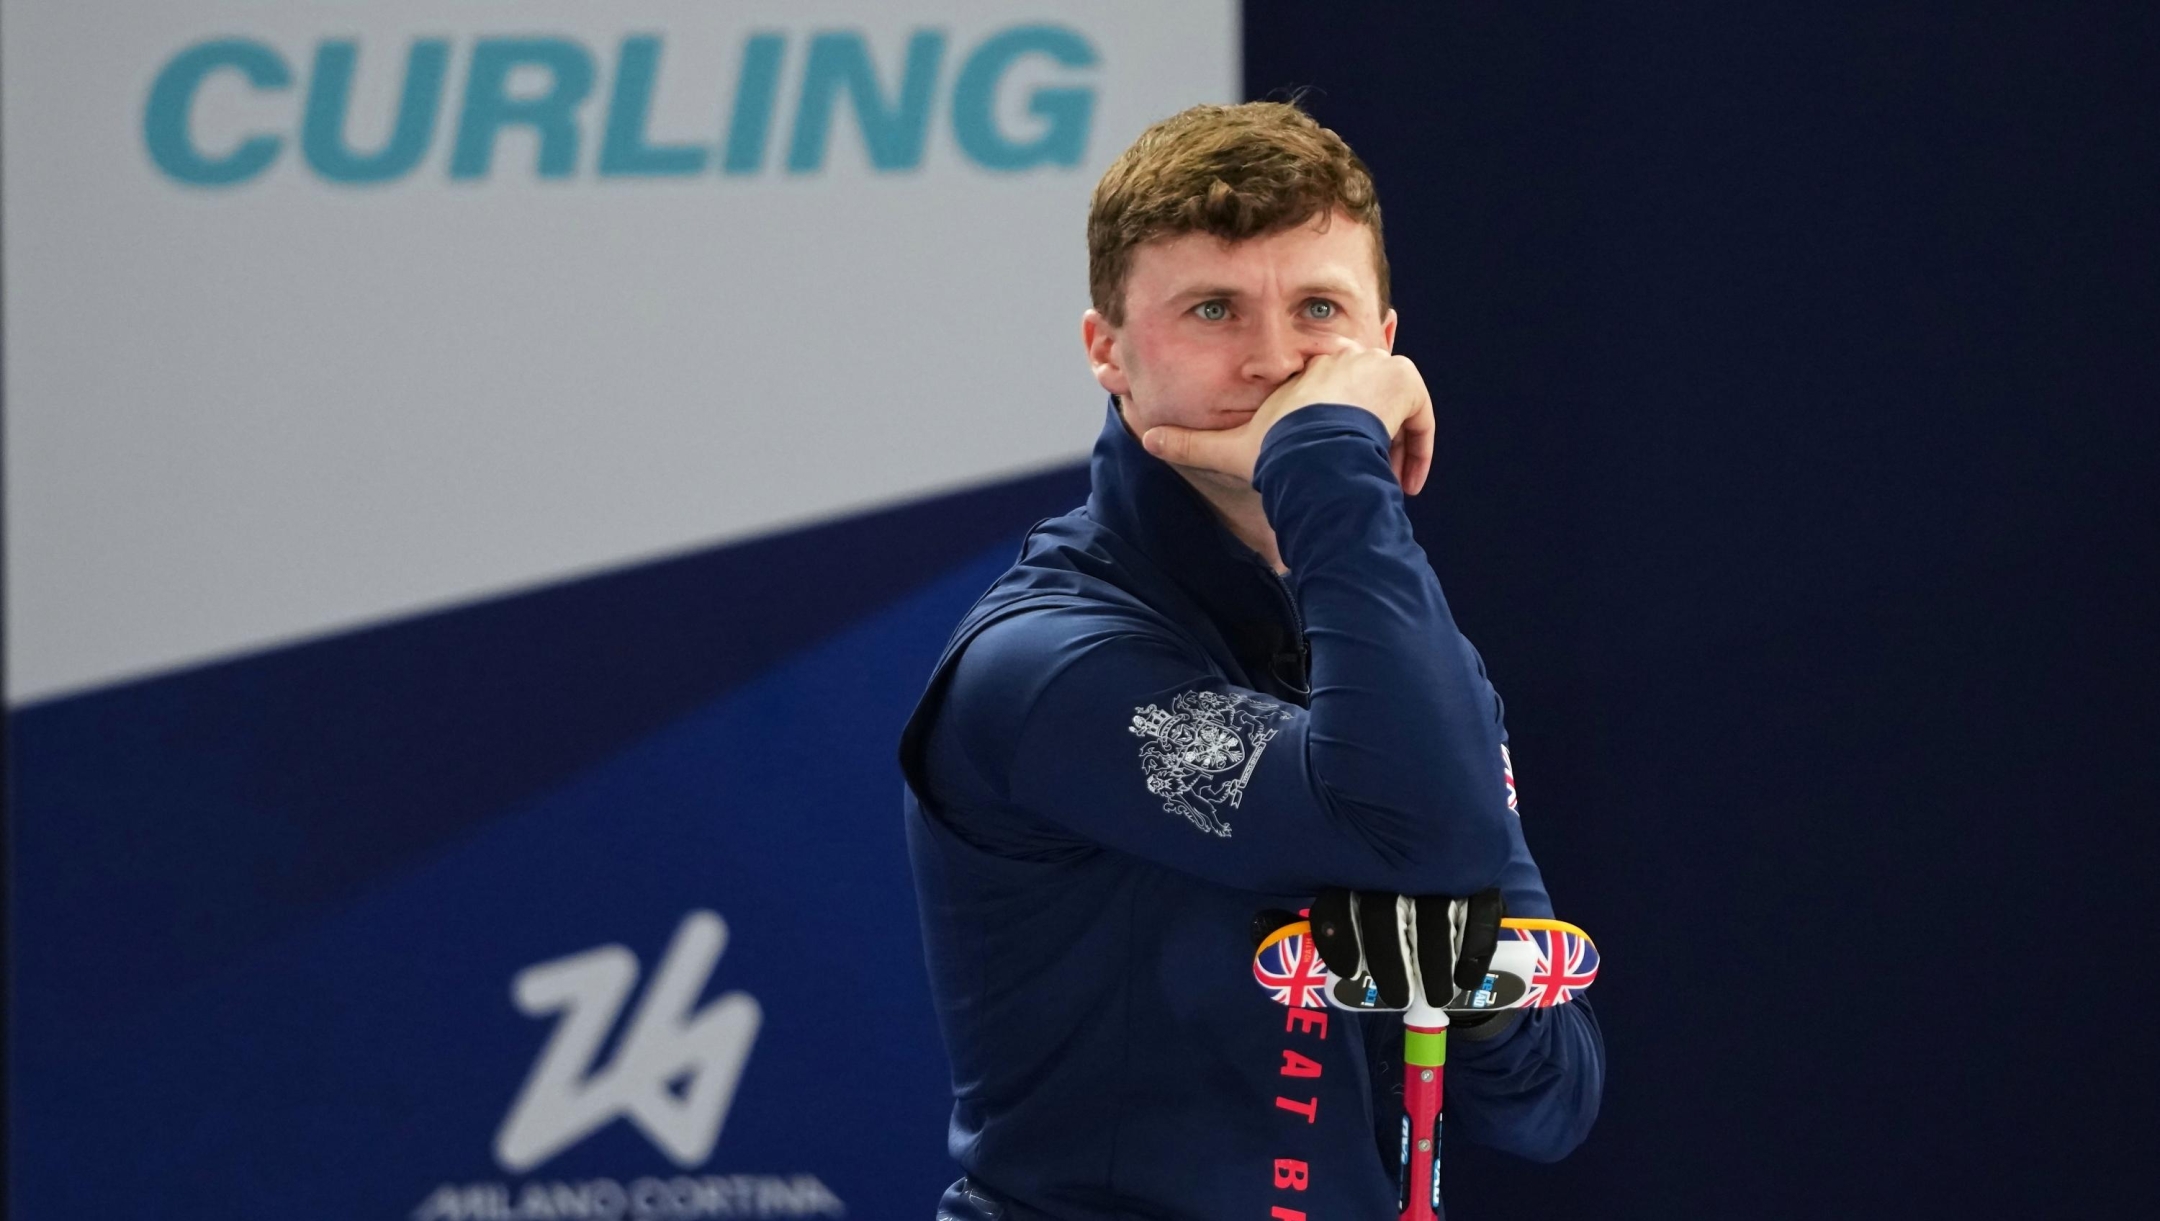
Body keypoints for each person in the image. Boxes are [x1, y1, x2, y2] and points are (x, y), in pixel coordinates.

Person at [898, 100, 1604, 1221]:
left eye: (1319, 309)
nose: (1276, 361)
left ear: (1382, 342)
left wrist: (1477, 994)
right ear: (1108, 352)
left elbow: (1550, 1104)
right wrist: (1324, 454)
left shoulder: (1398, 650)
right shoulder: (1040, 664)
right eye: (1213, 309)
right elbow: (1421, 831)